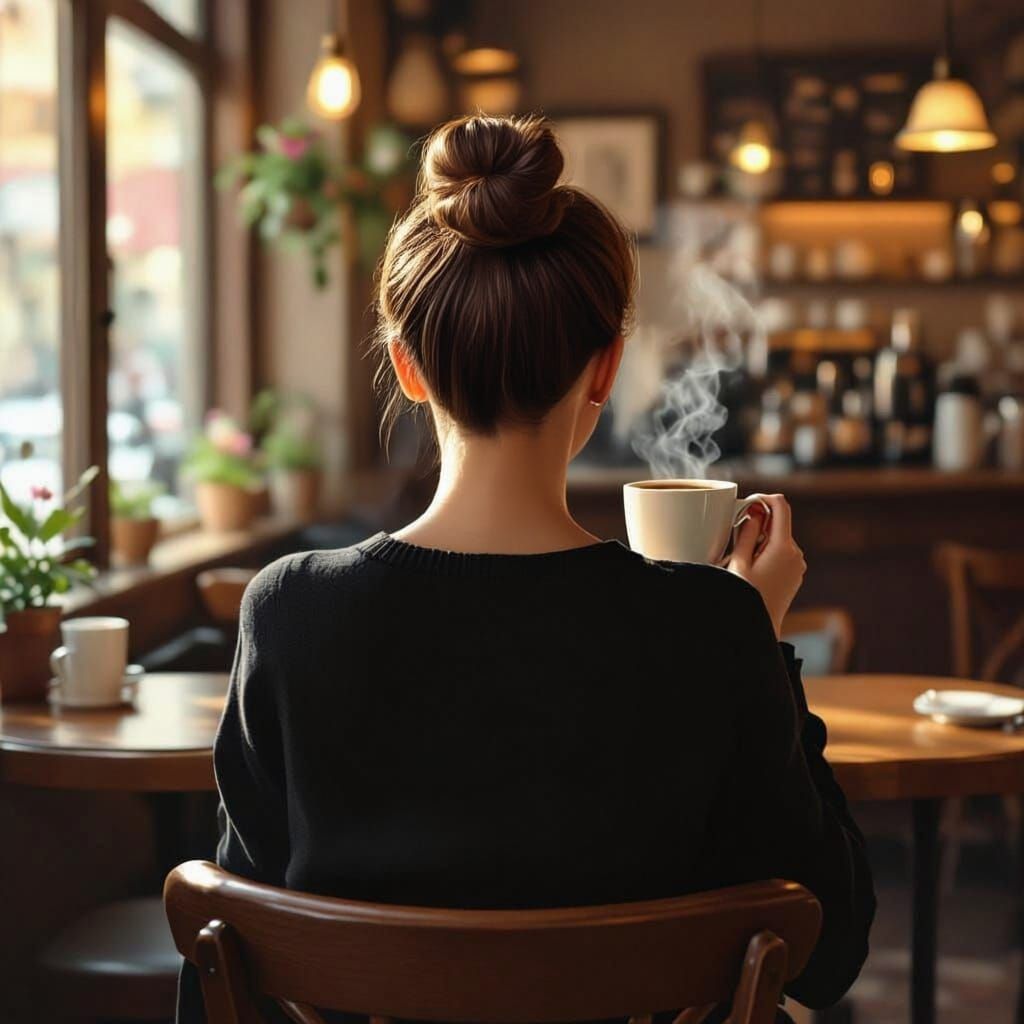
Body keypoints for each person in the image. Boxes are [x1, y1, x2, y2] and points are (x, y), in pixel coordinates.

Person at [177, 114, 874, 1023]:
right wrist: (760, 642)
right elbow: (829, 956)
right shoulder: (711, 626)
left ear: (407, 367)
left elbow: (226, 951)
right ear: (605, 370)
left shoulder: (290, 612)